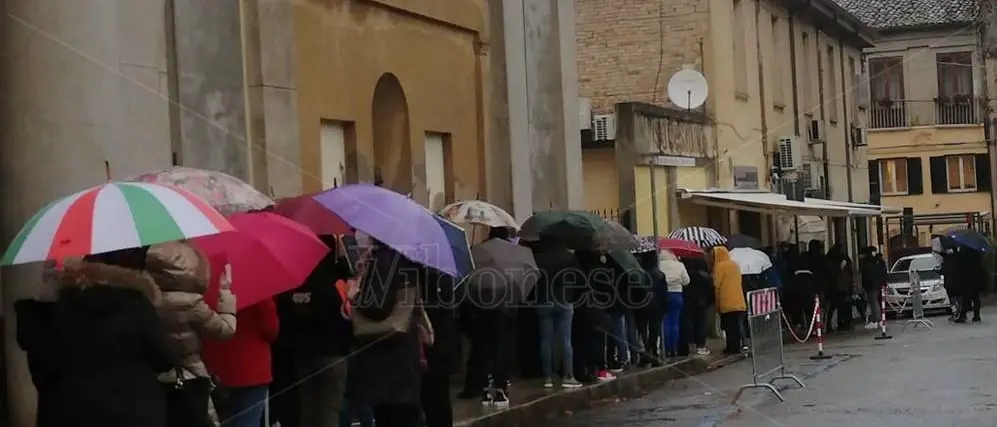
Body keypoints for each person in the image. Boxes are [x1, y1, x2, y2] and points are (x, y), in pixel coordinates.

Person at [44, 248, 176, 427]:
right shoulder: (136, 303)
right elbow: (165, 358)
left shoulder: (65, 305)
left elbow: (50, 358)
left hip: (79, 405)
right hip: (137, 405)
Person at [146, 241, 238, 427]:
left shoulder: (144, 298)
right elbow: (225, 330)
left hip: (154, 376)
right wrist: (226, 298)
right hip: (191, 373)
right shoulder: (192, 303)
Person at [277, 237, 354, 427]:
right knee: (329, 412)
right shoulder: (338, 283)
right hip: (333, 354)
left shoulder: (297, 279)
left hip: (304, 353)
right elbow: (347, 315)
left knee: (308, 412)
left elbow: (286, 313)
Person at [346, 244, 425, 427]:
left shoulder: (381, 262)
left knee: (390, 415)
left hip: (387, 360)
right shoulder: (409, 262)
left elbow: (377, 307)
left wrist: (355, 296)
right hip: (403, 357)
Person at [201, 295, 279, 427]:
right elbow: (270, 329)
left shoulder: (206, 288)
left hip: (216, 368)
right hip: (252, 371)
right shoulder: (257, 289)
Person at [532, 236, 584, 388]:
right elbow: (578, 279)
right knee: (566, 340)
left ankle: (548, 376)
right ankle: (568, 375)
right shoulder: (569, 258)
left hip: (544, 301)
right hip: (564, 300)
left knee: (545, 341)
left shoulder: (538, 258)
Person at [574, 250, 615, 382]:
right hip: (598, 309)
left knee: (581, 342)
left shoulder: (576, 271)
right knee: (598, 341)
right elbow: (609, 291)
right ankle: (598, 370)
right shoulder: (600, 272)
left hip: (580, 309)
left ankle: (581, 371)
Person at [711, 247, 747, 355]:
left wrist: (717, 303)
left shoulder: (719, 267)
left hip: (726, 301)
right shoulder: (735, 265)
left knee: (728, 326)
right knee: (736, 326)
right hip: (739, 300)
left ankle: (731, 348)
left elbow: (716, 285)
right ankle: (737, 347)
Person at [658, 250, 689, 358]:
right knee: (675, 323)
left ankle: (665, 349)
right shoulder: (679, 265)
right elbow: (686, 281)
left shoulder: (659, 264)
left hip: (664, 295)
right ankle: (674, 349)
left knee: (665, 323)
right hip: (677, 295)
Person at [636, 251, 665, 366]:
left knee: (642, 330)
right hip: (656, 306)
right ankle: (653, 352)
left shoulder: (638, 274)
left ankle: (646, 351)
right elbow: (663, 293)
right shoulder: (660, 274)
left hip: (641, 306)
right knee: (654, 330)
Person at [680, 256, 712, 356]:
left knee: (688, 322)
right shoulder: (705, 275)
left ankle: (688, 343)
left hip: (688, 301)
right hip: (702, 302)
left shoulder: (687, 274)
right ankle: (700, 345)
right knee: (701, 323)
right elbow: (710, 290)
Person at [859, 247, 888, 329]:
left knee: (874, 302)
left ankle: (877, 320)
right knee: (874, 303)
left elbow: (866, 275)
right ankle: (877, 320)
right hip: (876, 285)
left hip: (871, 286)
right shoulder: (876, 261)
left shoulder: (867, 262)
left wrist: (865, 286)